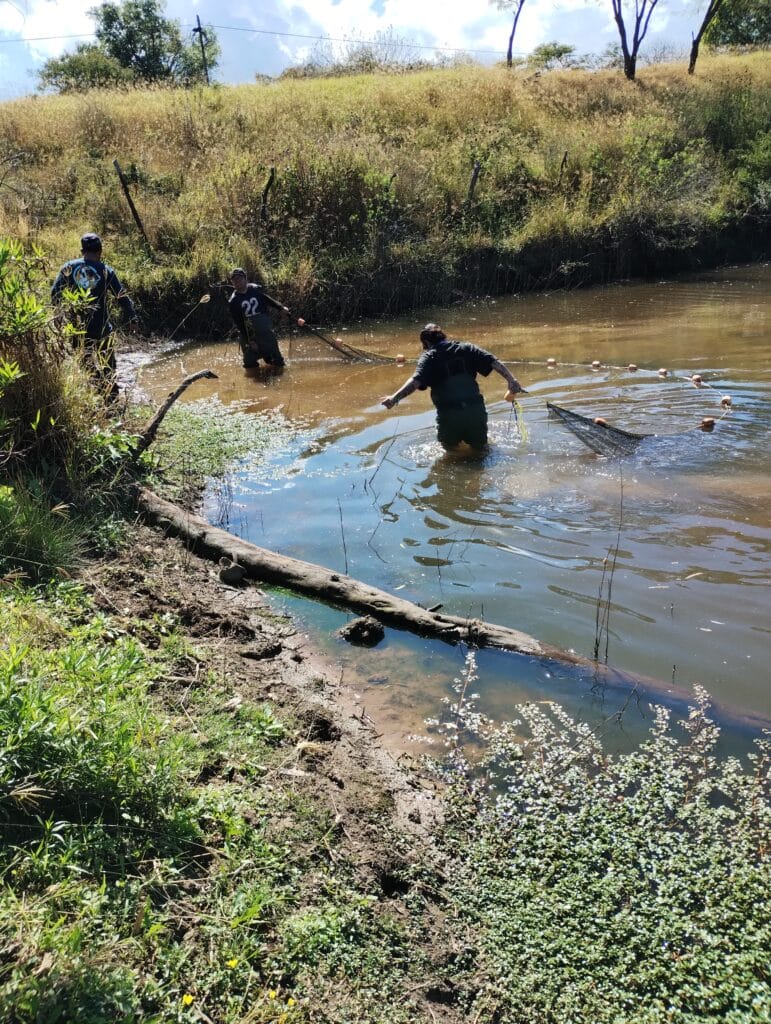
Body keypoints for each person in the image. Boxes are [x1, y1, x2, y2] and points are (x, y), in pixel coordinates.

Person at [381, 323, 525, 451]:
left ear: (425, 342)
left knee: (450, 454)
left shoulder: (428, 357)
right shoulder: (467, 348)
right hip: (475, 411)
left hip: (449, 415)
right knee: (481, 451)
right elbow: (493, 361)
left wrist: (394, 398)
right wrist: (512, 380)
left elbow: (415, 381)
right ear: (443, 336)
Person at [51, 232, 138, 399]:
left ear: (82, 251)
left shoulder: (69, 268)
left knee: (84, 362)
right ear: (100, 250)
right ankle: (111, 394)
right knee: (109, 366)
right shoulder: (105, 270)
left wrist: (58, 317)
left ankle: (99, 386)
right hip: (102, 327)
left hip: (77, 328)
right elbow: (122, 297)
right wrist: (132, 319)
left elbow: (55, 294)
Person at [228, 268, 302, 369]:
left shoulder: (255, 289)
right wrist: (250, 340)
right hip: (248, 334)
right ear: (232, 282)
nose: (237, 281)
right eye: (234, 280)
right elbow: (239, 323)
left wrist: (280, 307)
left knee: (277, 362)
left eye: (239, 278)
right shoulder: (233, 301)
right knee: (250, 364)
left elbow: (268, 300)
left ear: (245, 279)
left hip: (265, 332)